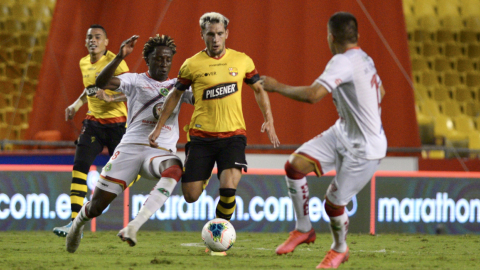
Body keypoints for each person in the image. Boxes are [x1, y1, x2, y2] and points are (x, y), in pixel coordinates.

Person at [148, 12, 280, 256]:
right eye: (210, 34)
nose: (216, 38)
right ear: (202, 35)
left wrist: (269, 120)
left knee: (229, 186)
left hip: (233, 136)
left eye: (220, 34)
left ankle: (219, 239)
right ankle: (204, 175)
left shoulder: (242, 61)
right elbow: (175, 95)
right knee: (190, 196)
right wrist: (158, 127)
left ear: (227, 34)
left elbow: (259, 90)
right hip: (202, 139)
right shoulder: (191, 64)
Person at [262, 12, 387, 269]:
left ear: (330, 37)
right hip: (343, 131)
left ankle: (339, 249)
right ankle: (304, 229)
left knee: (333, 204)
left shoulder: (342, 61)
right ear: (356, 36)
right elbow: (381, 92)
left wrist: (276, 86)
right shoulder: (364, 57)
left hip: (364, 149)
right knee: (294, 166)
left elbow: (312, 95)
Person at [65, 33, 193, 253]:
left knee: (174, 168)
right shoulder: (134, 80)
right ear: (148, 60)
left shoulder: (178, 86)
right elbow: (101, 83)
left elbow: (205, 98)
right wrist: (119, 57)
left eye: (167, 59)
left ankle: (133, 226)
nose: (163, 63)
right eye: (158, 59)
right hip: (130, 148)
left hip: (158, 151)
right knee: (97, 207)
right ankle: (76, 226)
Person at [53, 24, 130, 237]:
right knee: (80, 165)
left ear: (106, 42)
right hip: (94, 123)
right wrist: (76, 106)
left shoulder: (116, 62)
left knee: (126, 173)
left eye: (97, 37)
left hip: (118, 125)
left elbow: (132, 91)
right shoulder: (83, 62)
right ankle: (74, 225)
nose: (92, 40)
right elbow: (90, 88)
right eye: (89, 37)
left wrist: (111, 97)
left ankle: (101, 198)